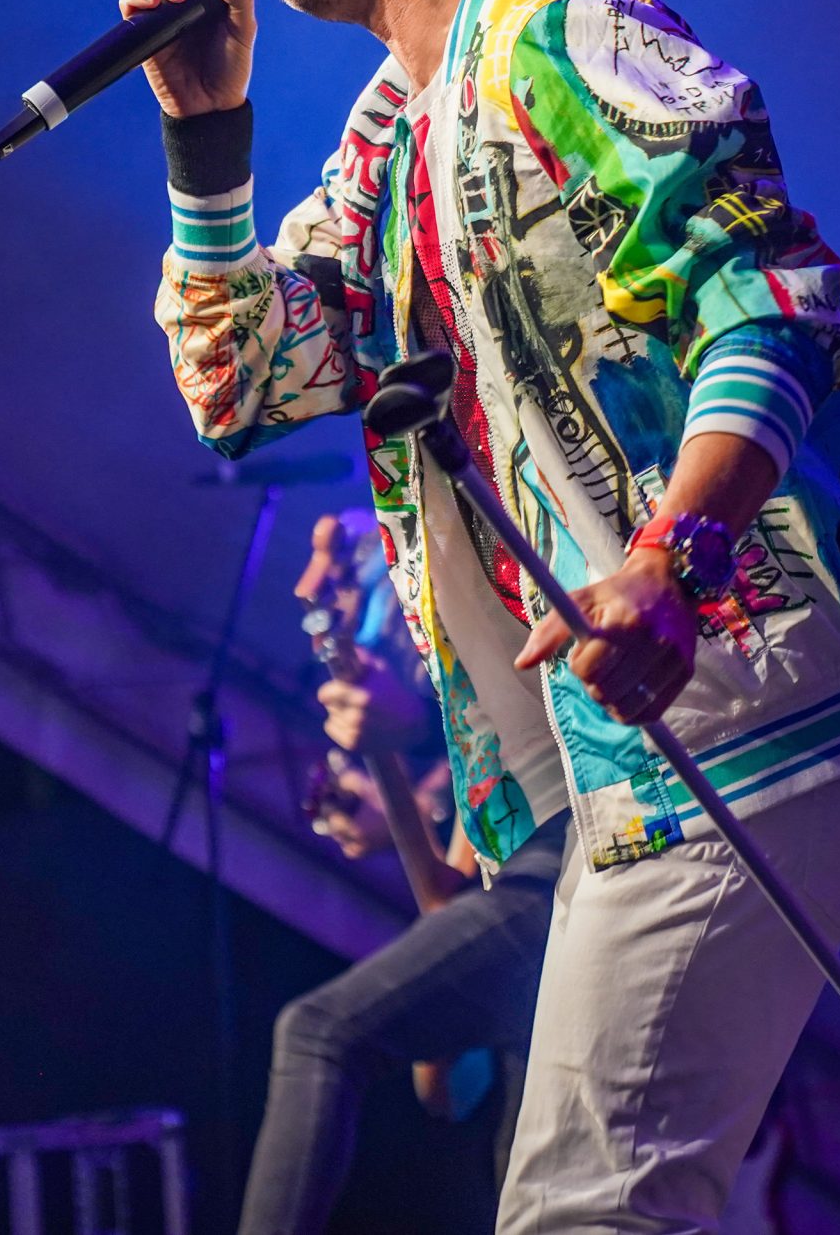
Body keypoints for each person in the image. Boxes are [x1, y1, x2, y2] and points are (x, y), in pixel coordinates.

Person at [136, 0, 840, 1233]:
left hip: (755, 685)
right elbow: (246, 383)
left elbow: (773, 298)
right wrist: (205, 134)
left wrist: (669, 561)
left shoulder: (571, 38)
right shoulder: (396, 127)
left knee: (590, 1203)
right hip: (639, 739)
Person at [238, 510, 559, 1235]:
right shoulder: (423, 668)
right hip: (538, 909)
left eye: (337, 570)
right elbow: (452, 884)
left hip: (573, 871)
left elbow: (516, 759)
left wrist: (411, 751)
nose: (312, 585)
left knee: (318, 1032)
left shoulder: (472, 606)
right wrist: (400, 806)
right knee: (533, 1197)